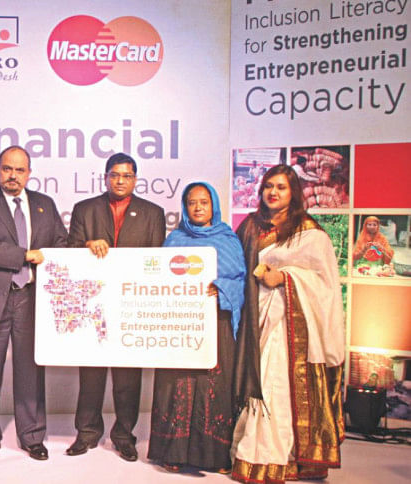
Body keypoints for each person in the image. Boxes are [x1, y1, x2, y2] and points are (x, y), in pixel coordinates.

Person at [231, 165, 345, 483]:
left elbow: (324, 282)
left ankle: (277, 456)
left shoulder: (308, 230)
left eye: (281, 187)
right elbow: (236, 265)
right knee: (259, 380)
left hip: (289, 324)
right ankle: (258, 450)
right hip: (255, 319)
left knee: (275, 384)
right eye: (269, 186)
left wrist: (285, 277)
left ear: (293, 192)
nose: (273, 192)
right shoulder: (251, 226)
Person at [0, 146, 67, 462]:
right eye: (7, 169)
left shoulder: (45, 204)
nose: (13, 175)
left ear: (29, 173)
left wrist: (55, 255)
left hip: (31, 298)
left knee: (30, 372)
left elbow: (61, 243)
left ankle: (32, 437)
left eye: (19, 170)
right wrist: (23, 256)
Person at [66, 153, 165, 462]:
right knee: (91, 376)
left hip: (132, 305)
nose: (120, 180)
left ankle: (124, 436)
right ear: (105, 177)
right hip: (94, 305)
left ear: (135, 179)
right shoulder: (85, 209)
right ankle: (87, 433)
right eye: (115, 175)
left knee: (128, 378)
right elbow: (69, 251)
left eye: (127, 175)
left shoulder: (153, 213)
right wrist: (86, 246)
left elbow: (156, 261)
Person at [147, 182, 245, 474]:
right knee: (177, 384)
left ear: (214, 205)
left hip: (216, 322)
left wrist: (222, 287)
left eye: (204, 202)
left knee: (212, 385)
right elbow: (159, 279)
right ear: (185, 207)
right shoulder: (175, 240)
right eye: (192, 202)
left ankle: (213, 455)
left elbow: (240, 281)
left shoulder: (228, 239)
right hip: (180, 323)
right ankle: (172, 451)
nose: (198, 207)